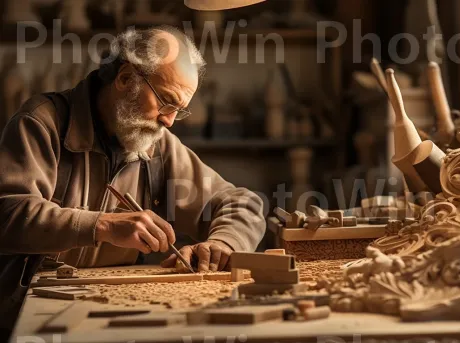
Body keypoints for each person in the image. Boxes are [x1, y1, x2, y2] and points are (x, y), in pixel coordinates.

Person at [0, 26, 266, 271]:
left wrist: (223, 244)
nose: (169, 120)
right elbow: (8, 213)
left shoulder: (157, 146)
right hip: (33, 302)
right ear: (126, 78)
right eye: (166, 101)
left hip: (109, 298)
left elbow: (244, 205)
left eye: (179, 111)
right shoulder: (42, 123)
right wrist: (102, 225)